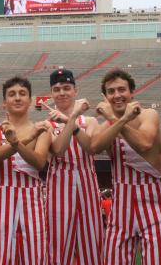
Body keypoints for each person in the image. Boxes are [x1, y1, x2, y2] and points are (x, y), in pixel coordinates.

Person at [91, 69, 161, 265]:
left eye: (121, 90)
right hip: (121, 208)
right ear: (105, 96)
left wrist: (118, 119)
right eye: (111, 91)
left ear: (132, 92)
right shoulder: (108, 124)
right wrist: (116, 119)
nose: (117, 95)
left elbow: (144, 143)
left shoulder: (148, 114)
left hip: (153, 205)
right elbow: (94, 147)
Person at [0, 76, 51, 264]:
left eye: (22, 94)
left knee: (35, 257)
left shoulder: (42, 128)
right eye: (12, 94)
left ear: (30, 101)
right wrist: (26, 139)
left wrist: (15, 142)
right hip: (2, 198)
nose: (17, 98)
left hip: (32, 199)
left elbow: (39, 162)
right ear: (4, 102)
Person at [43, 69, 103, 264]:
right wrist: (73, 117)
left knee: (93, 248)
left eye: (67, 88)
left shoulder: (91, 121)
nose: (62, 93)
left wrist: (72, 120)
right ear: (51, 94)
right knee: (58, 249)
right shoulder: (46, 124)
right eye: (57, 89)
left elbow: (92, 148)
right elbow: (58, 151)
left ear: (75, 91)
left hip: (88, 186)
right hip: (59, 187)